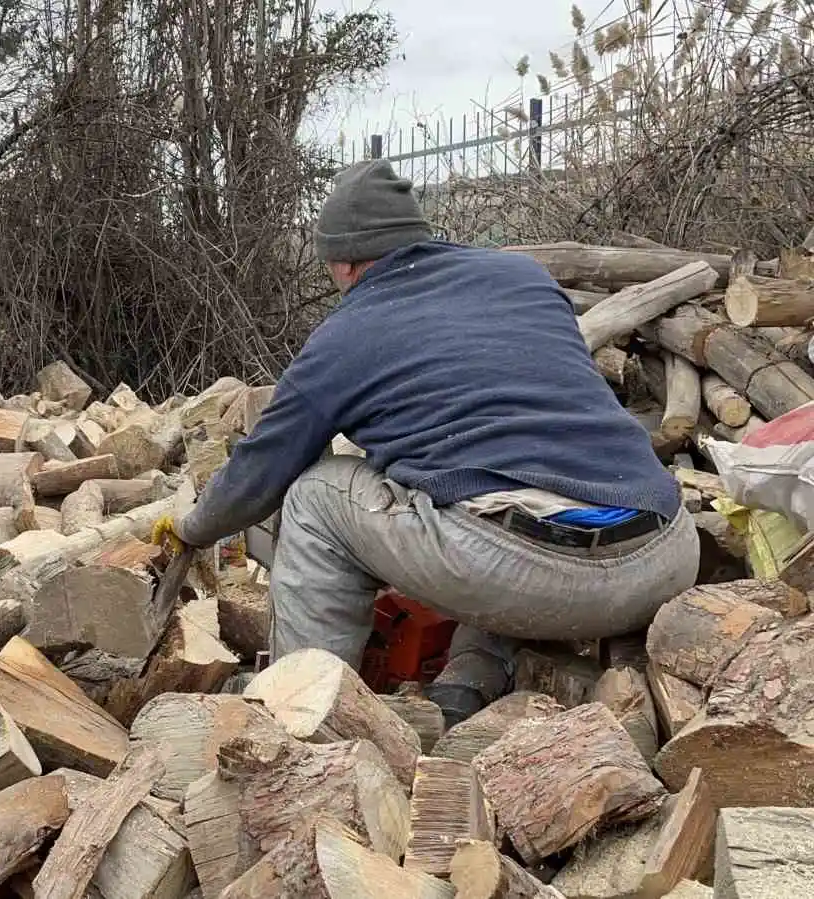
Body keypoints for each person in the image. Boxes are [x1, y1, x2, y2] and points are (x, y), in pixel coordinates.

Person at [162, 159, 699, 726]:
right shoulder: (524, 278)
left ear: (341, 262)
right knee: (498, 480)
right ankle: (468, 683)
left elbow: (260, 472)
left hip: (529, 576)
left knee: (317, 495)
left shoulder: (347, 334)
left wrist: (192, 527)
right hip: (660, 556)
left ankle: (303, 720)